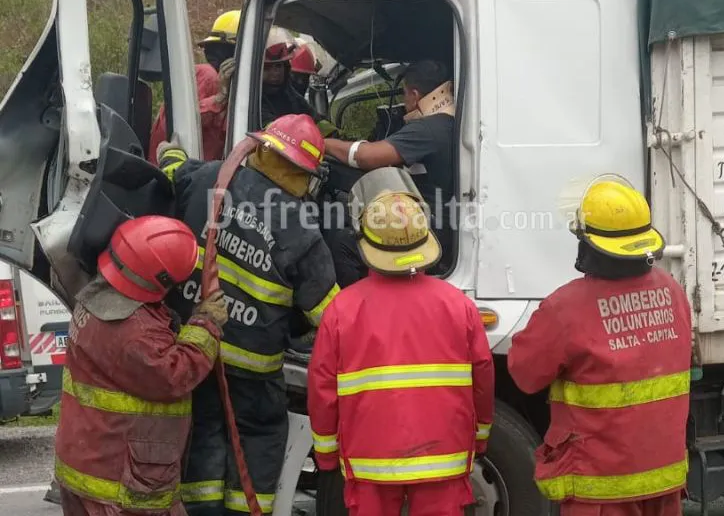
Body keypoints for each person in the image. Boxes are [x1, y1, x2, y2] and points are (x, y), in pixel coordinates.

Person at [156, 113, 340, 516]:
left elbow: (170, 169)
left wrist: (170, 149)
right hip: (255, 374)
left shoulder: (206, 179)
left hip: (197, 351)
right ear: (304, 173)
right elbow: (331, 315)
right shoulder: (300, 227)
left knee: (202, 437)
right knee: (257, 441)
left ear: (260, 149)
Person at [307, 167, 494, 516]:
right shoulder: (459, 306)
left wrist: (327, 454)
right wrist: (480, 436)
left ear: (364, 241)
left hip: (370, 462)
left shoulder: (341, 310)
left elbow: (322, 390)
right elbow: (482, 379)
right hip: (444, 459)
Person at [506, 176, 692, 516]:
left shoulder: (565, 308)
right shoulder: (672, 291)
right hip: (663, 481)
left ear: (586, 242)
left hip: (599, 489)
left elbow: (525, 374)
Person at [53, 215, 229, 516]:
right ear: (159, 279)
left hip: (84, 464)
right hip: (118, 487)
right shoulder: (134, 334)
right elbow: (174, 375)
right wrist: (205, 324)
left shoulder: (93, 297)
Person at [323, 60, 456, 286]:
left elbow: (368, 156)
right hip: (444, 221)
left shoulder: (428, 128)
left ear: (414, 94)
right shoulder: (449, 121)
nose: (404, 103)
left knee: (341, 243)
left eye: (404, 94)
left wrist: (321, 142)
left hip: (430, 228)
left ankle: (359, 305)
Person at [148, 10, 241, 163]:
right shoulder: (208, 76)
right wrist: (219, 98)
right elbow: (179, 124)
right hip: (177, 174)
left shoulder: (227, 86)